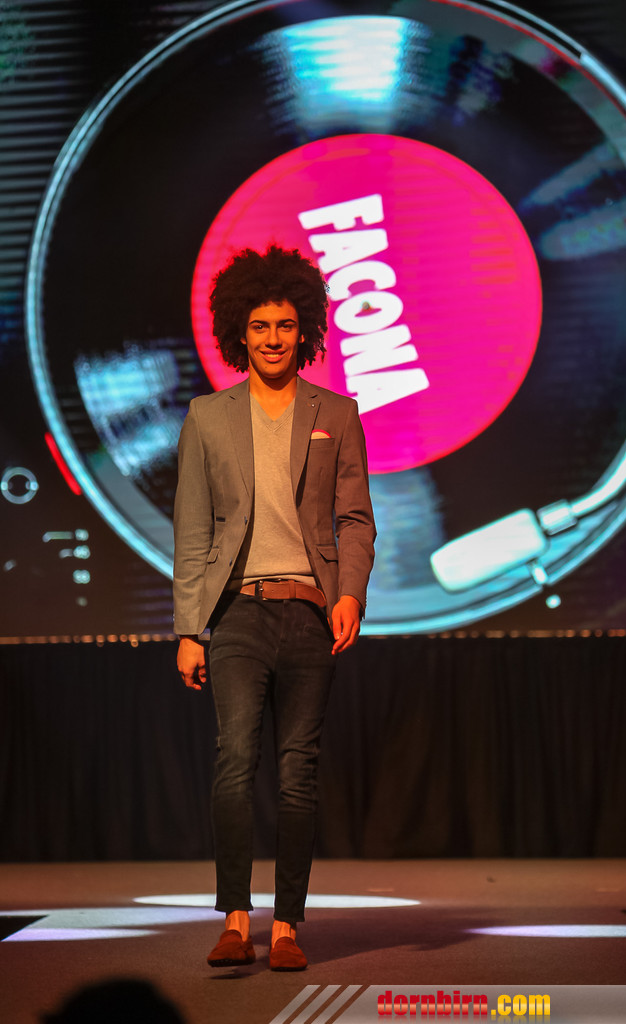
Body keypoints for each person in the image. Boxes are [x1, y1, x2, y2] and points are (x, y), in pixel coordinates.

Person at [173, 244, 375, 971]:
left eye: (285, 325)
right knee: (235, 760)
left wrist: (350, 594)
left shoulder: (336, 413)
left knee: (298, 771)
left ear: (305, 329)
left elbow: (355, 519)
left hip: (309, 613)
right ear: (240, 331)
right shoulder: (207, 416)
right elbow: (193, 530)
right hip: (235, 614)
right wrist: (189, 628)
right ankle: (235, 919)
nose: (272, 338)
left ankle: (287, 925)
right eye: (259, 326)